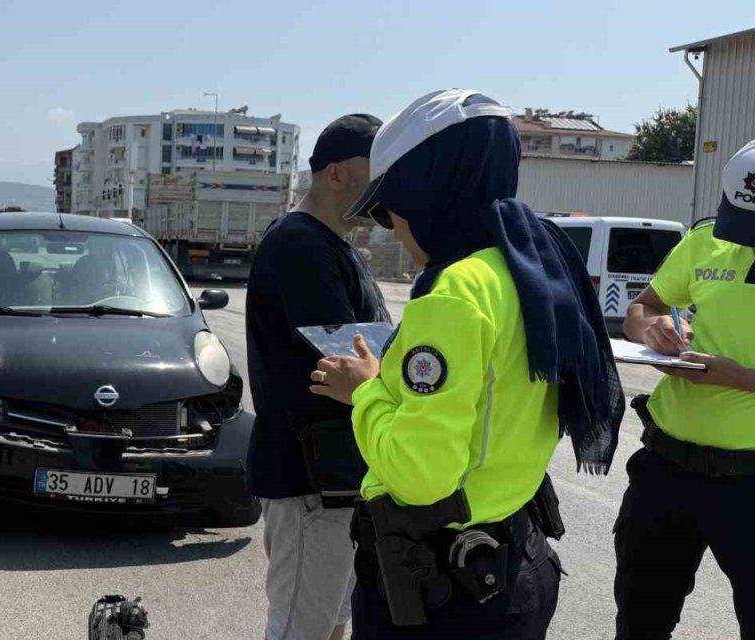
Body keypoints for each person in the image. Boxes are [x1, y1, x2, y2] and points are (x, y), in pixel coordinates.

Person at [309, 89, 625, 639]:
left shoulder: (454, 294)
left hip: (445, 595)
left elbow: (420, 474)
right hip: (513, 562)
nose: (393, 230)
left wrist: (366, 390)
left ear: (430, 193)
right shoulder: (530, 262)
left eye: (389, 210)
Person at [245, 114, 391, 640]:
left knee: (330, 625)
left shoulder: (331, 244)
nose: (385, 189)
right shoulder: (301, 246)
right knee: (301, 630)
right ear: (336, 175)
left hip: (333, 479)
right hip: (309, 482)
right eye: (377, 174)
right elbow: (352, 358)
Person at [614, 139, 755, 639]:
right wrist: (651, 329)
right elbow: (643, 307)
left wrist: (740, 379)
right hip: (667, 470)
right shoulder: (705, 241)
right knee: (640, 620)